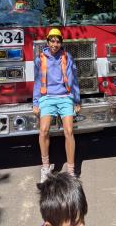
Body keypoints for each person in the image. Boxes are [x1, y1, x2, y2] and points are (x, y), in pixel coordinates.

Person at [33, 28, 81, 183]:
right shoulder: (40, 59)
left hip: (65, 97)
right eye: (52, 40)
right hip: (46, 97)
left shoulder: (67, 57)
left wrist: (77, 100)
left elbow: (73, 80)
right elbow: (37, 81)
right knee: (44, 130)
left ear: (61, 43)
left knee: (69, 131)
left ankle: (71, 171)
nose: (55, 44)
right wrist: (35, 102)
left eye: (58, 41)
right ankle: (46, 168)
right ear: (47, 42)